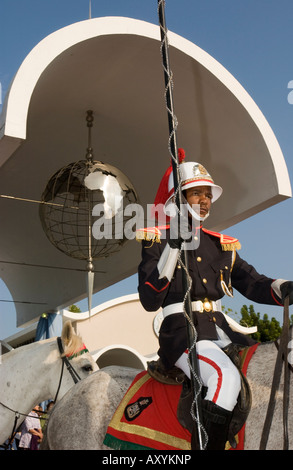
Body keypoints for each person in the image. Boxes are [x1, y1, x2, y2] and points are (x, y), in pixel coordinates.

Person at [137, 149, 293, 450]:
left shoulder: (220, 245)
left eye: (207, 194)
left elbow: (252, 281)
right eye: (196, 193)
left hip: (224, 331)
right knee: (225, 379)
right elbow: (149, 298)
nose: (205, 200)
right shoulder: (156, 239)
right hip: (183, 333)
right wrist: (173, 245)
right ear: (177, 201)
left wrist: (283, 285)